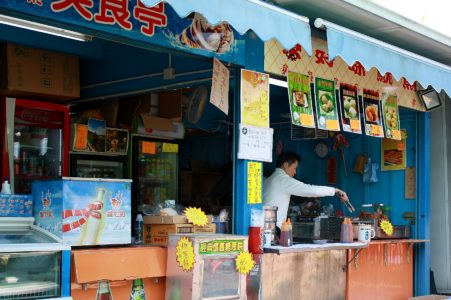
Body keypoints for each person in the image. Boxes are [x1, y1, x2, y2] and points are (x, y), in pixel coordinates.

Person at [263, 151, 350, 229]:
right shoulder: (283, 180)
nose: (295, 172)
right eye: (294, 168)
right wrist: (335, 190)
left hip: (266, 227)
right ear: (286, 165)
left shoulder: (269, 179)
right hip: (272, 229)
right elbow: (311, 190)